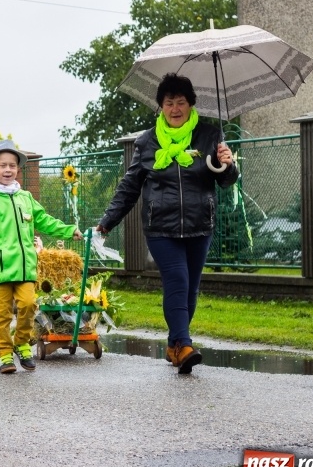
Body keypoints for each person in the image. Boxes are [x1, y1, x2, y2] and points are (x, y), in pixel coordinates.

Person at [96, 73, 239, 374]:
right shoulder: (148, 142)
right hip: (161, 227)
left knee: (191, 291)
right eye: (169, 103)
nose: (175, 109)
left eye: (181, 103)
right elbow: (130, 186)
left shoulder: (209, 135)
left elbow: (225, 181)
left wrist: (229, 164)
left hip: (200, 224)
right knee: (178, 280)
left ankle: (174, 345)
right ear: (160, 106)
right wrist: (107, 223)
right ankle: (185, 345)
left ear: (191, 105)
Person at [0, 140, 83, 374]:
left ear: (18, 169)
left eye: (12, 165)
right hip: (0, 268)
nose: (8, 170)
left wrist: (69, 230)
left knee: (29, 305)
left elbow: (44, 221)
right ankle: (4, 354)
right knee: (3, 313)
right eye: (3, 165)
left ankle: (21, 343)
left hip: (25, 267)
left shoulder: (25, 198)